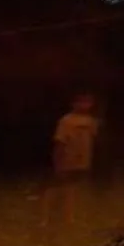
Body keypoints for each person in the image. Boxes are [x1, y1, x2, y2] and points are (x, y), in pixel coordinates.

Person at [41, 93, 100, 235]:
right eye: (81, 102)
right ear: (73, 104)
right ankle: (48, 218)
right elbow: (60, 141)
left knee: (75, 190)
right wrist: (58, 161)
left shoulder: (91, 121)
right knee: (57, 189)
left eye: (87, 102)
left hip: (83, 161)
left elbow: (93, 139)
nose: (84, 105)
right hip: (68, 160)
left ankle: (72, 217)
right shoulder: (66, 121)